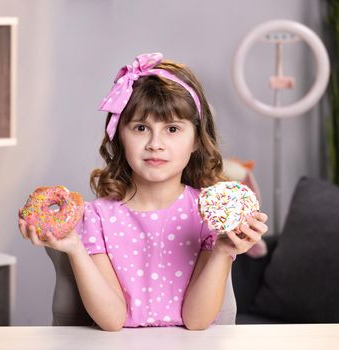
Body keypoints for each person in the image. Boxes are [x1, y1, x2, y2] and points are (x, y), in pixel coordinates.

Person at [18, 53, 268, 331]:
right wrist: (75, 249)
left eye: (172, 129)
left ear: (197, 139)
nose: (155, 144)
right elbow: (112, 320)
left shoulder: (208, 215)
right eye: (140, 128)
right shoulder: (97, 218)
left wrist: (222, 251)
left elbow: (196, 321)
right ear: (120, 135)